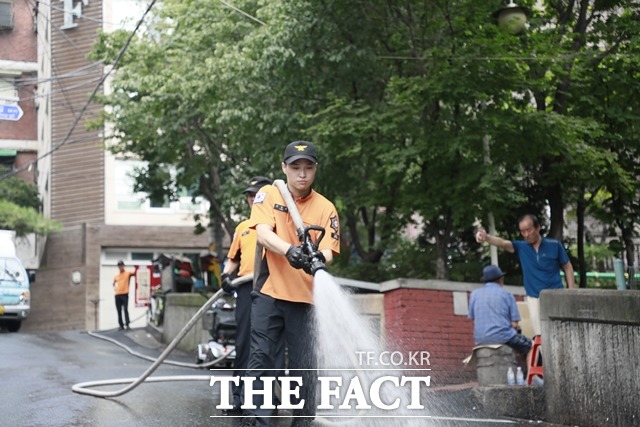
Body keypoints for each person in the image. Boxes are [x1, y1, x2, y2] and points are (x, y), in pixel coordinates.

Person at [244, 141, 341, 427]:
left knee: (304, 371)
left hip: (306, 299)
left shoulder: (326, 207)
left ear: (315, 170)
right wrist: (289, 250)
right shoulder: (269, 193)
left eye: (308, 168)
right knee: (260, 362)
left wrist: (314, 257)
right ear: (283, 167)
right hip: (269, 293)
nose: (302, 174)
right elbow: (262, 233)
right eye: (295, 167)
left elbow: (330, 251)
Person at [219, 176, 284, 415]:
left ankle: (271, 399)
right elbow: (232, 259)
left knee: (272, 345)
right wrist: (225, 276)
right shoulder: (242, 228)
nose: (251, 198)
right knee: (244, 342)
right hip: (247, 288)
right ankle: (238, 397)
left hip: (274, 286)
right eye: (249, 194)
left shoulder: (280, 223)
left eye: (256, 194)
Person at [475, 214, 575, 336]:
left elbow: (567, 267)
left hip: (556, 295)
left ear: (538, 227)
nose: (526, 234)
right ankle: (545, 355)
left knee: (561, 333)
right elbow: (504, 243)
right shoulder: (521, 247)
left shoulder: (554, 245)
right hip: (534, 297)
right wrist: (487, 237)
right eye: (523, 231)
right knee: (540, 335)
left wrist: (571, 292)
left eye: (529, 230)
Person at [468, 265, 532, 358]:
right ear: (501, 279)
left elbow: (472, 317)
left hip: (480, 339)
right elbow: (515, 324)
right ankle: (531, 372)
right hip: (503, 337)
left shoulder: (474, 294)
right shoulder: (506, 294)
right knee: (530, 346)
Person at [113, 260, 135, 331]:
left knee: (125, 309)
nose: (120, 267)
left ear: (123, 266)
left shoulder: (127, 273)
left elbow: (135, 273)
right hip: (117, 294)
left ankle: (127, 324)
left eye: (121, 265)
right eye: (119, 266)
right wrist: (115, 288)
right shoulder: (116, 276)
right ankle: (121, 325)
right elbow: (114, 283)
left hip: (125, 294)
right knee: (118, 310)